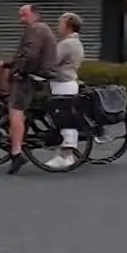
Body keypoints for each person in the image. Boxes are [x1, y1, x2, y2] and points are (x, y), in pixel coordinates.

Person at [2, 3, 56, 175]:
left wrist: (18, 71)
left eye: (24, 15)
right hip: (36, 74)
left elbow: (30, 54)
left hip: (31, 77)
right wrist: (8, 64)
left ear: (36, 15)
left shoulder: (37, 29)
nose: (21, 19)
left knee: (16, 111)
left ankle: (16, 153)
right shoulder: (40, 29)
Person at [49, 12, 86, 169]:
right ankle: (63, 154)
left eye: (60, 23)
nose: (58, 27)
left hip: (62, 83)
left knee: (64, 119)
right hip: (69, 82)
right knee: (67, 118)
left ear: (68, 26)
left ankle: (66, 155)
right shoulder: (76, 42)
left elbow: (52, 62)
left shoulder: (66, 44)